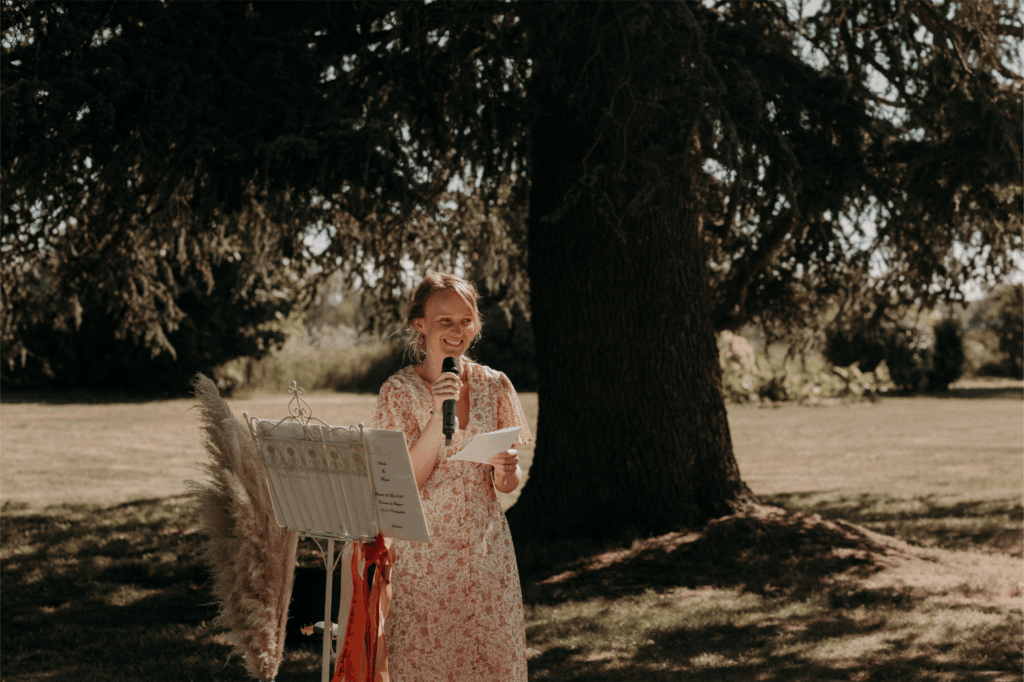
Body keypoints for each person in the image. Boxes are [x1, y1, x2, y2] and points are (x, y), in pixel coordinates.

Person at [369, 271, 530, 681]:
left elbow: (505, 486)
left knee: (492, 665)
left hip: (486, 553)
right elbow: (402, 486)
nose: (457, 331)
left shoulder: (496, 385)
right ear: (419, 325)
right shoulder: (398, 392)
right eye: (445, 321)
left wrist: (506, 469)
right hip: (424, 561)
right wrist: (434, 416)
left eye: (466, 320)